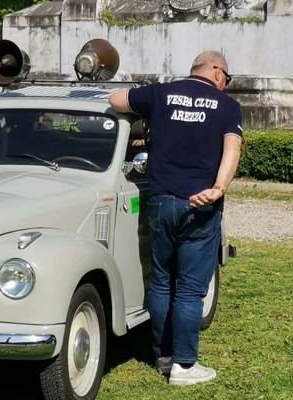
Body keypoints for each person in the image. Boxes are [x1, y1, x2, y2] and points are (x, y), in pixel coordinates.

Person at [108, 50, 243, 386]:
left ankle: (163, 356)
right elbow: (233, 148)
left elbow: (116, 98)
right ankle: (184, 365)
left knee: (161, 281)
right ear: (215, 71)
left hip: (161, 200)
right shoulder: (227, 107)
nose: (225, 84)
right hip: (200, 205)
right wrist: (218, 188)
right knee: (190, 289)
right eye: (226, 77)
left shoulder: (161, 93)